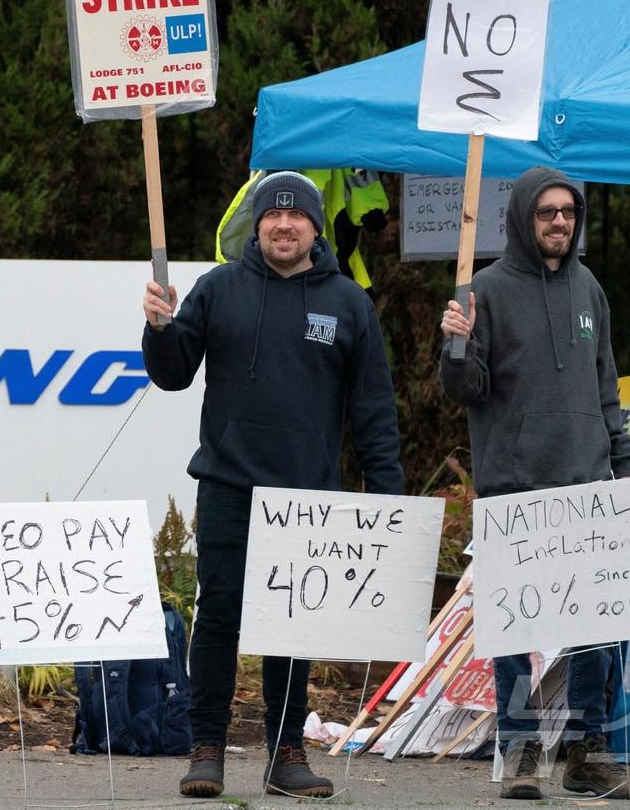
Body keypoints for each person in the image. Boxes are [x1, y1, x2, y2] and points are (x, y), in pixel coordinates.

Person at [142, 170, 404, 799]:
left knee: (293, 626)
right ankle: (206, 747)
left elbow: (373, 409)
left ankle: (287, 754)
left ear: (316, 227)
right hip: (228, 485)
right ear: (256, 224)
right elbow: (173, 374)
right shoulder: (219, 288)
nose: (283, 225)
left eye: (297, 216)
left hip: (306, 498)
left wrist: (387, 496)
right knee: (219, 620)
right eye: (272, 216)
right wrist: (158, 329)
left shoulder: (348, 302)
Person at [439, 165, 630, 801]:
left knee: (595, 629)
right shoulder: (484, 292)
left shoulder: (590, 289)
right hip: (514, 489)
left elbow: (606, 387)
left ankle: (587, 753)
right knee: (515, 630)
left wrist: (621, 470)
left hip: (588, 485)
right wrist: (456, 344)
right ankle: (521, 750)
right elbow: (463, 391)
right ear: (523, 219)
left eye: (568, 212)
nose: (559, 221)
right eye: (546, 212)